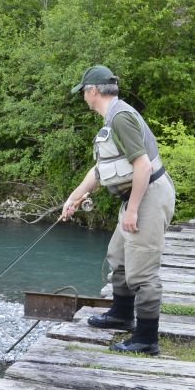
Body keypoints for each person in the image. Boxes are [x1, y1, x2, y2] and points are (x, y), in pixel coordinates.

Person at [61, 65, 176, 355]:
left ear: (93, 91)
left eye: (84, 92)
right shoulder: (112, 117)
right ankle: (122, 315)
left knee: (143, 272)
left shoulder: (121, 118)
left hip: (149, 194)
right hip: (137, 195)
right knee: (118, 255)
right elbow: (101, 170)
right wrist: (74, 198)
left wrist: (133, 210)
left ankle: (147, 339)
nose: (84, 98)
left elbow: (143, 166)